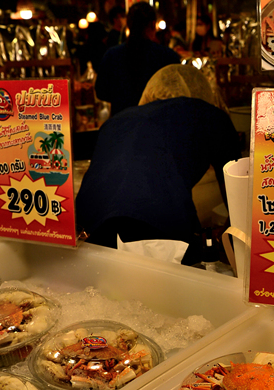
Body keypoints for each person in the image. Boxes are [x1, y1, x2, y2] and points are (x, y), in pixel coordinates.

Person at [77, 65, 241, 265]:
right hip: (161, 230)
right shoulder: (212, 116)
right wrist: (225, 240)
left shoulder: (118, 120)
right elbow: (239, 198)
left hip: (90, 230)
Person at [95, 2, 180, 116]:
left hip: (122, 121)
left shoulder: (112, 55)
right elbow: (177, 94)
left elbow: (101, 92)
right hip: (157, 121)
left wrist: (120, 97)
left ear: (128, 25)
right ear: (153, 24)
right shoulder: (168, 56)